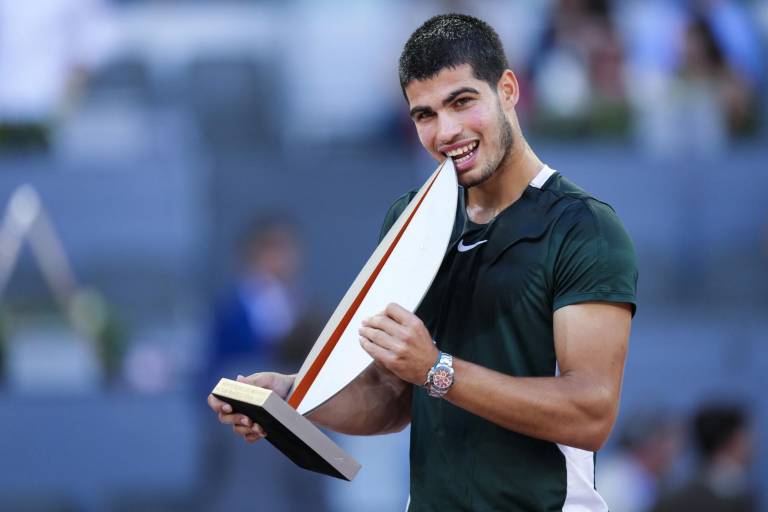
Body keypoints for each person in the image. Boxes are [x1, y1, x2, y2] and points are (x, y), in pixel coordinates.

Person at [208, 13, 638, 511]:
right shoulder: (410, 220)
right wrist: (292, 396)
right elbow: (393, 398)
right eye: (425, 114)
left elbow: (591, 414)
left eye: (461, 102)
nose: (446, 131)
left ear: (508, 89)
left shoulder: (584, 228)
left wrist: (437, 369)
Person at [652, 403, 756, 512]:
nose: (753, 443)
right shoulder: (732, 494)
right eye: (745, 436)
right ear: (731, 441)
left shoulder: (675, 493)